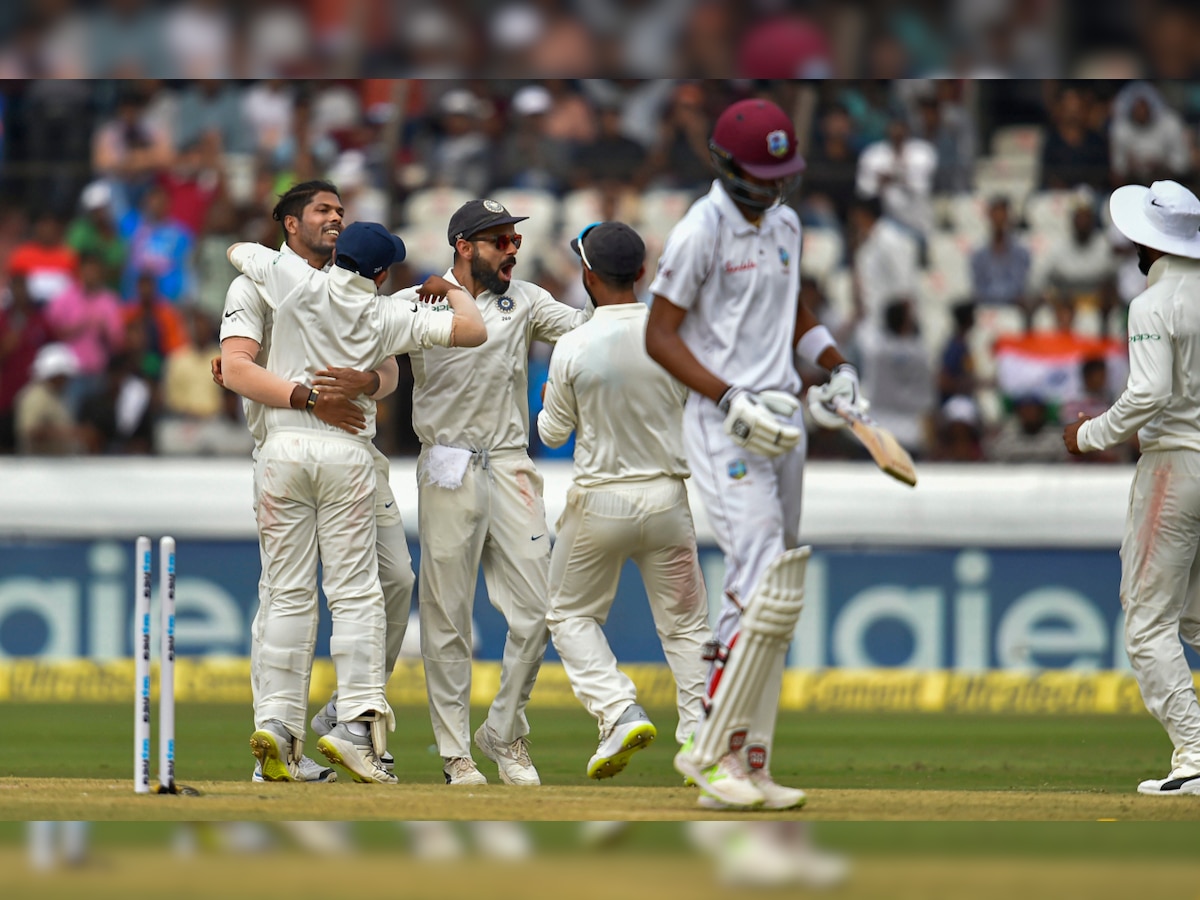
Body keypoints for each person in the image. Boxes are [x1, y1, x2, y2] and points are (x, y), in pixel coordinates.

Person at [645, 97, 867, 810]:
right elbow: (660, 335)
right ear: (728, 166)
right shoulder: (699, 230)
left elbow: (792, 312)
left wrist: (833, 365)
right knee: (759, 571)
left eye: (782, 174)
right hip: (723, 423)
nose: (773, 187)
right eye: (762, 175)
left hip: (782, 421)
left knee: (780, 591)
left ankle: (749, 761)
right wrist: (727, 395)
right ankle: (706, 749)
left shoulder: (788, 223)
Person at [225, 221, 486, 785]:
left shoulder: (290, 280)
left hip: (282, 451)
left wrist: (268, 260)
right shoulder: (387, 313)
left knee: (287, 594)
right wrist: (452, 286)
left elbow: (239, 250)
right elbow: (472, 330)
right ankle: (358, 723)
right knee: (355, 593)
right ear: (383, 273)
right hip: (345, 454)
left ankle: (277, 723)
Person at [215, 181, 413, 783]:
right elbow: (238, 369)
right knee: (289, 591)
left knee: (396, 579)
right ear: (289, 223)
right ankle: (283, 730)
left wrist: (364, 386)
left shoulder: (351, 284)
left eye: (341, 212)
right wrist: (308, 400)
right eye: (323, 211)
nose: (335, 219)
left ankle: (341, 716)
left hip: (355, 450)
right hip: (290, 441)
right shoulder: (256, 281)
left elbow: (387, 373)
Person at [409, 198, 592, 786]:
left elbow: (592, 333)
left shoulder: (527, 300)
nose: (513, 249)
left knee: (543, 609)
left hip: (511, 463)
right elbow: (360, 340)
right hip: (446, 462)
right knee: (448, 616)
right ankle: (454, 752)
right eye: (500, 241)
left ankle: (504, 730)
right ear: (464, 246)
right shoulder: (418, 303)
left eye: (515, 240)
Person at [537, 221, 711, 780]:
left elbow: (552, 435)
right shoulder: (672, 337)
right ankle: (705, 740)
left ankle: (617, 710)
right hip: (667, 501)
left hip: (601, 502)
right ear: (641, 273)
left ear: (587, 275)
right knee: (687, 629)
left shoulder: (573, 345)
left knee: (568, 614)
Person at [1064, 179, 1200, 797]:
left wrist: (1090, 434)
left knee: (1147, 623)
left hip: (1175, 468)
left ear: (1148, 243)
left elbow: (1150, 394)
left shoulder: (1153, 305)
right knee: (1195, 619)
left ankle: (1194, 756)